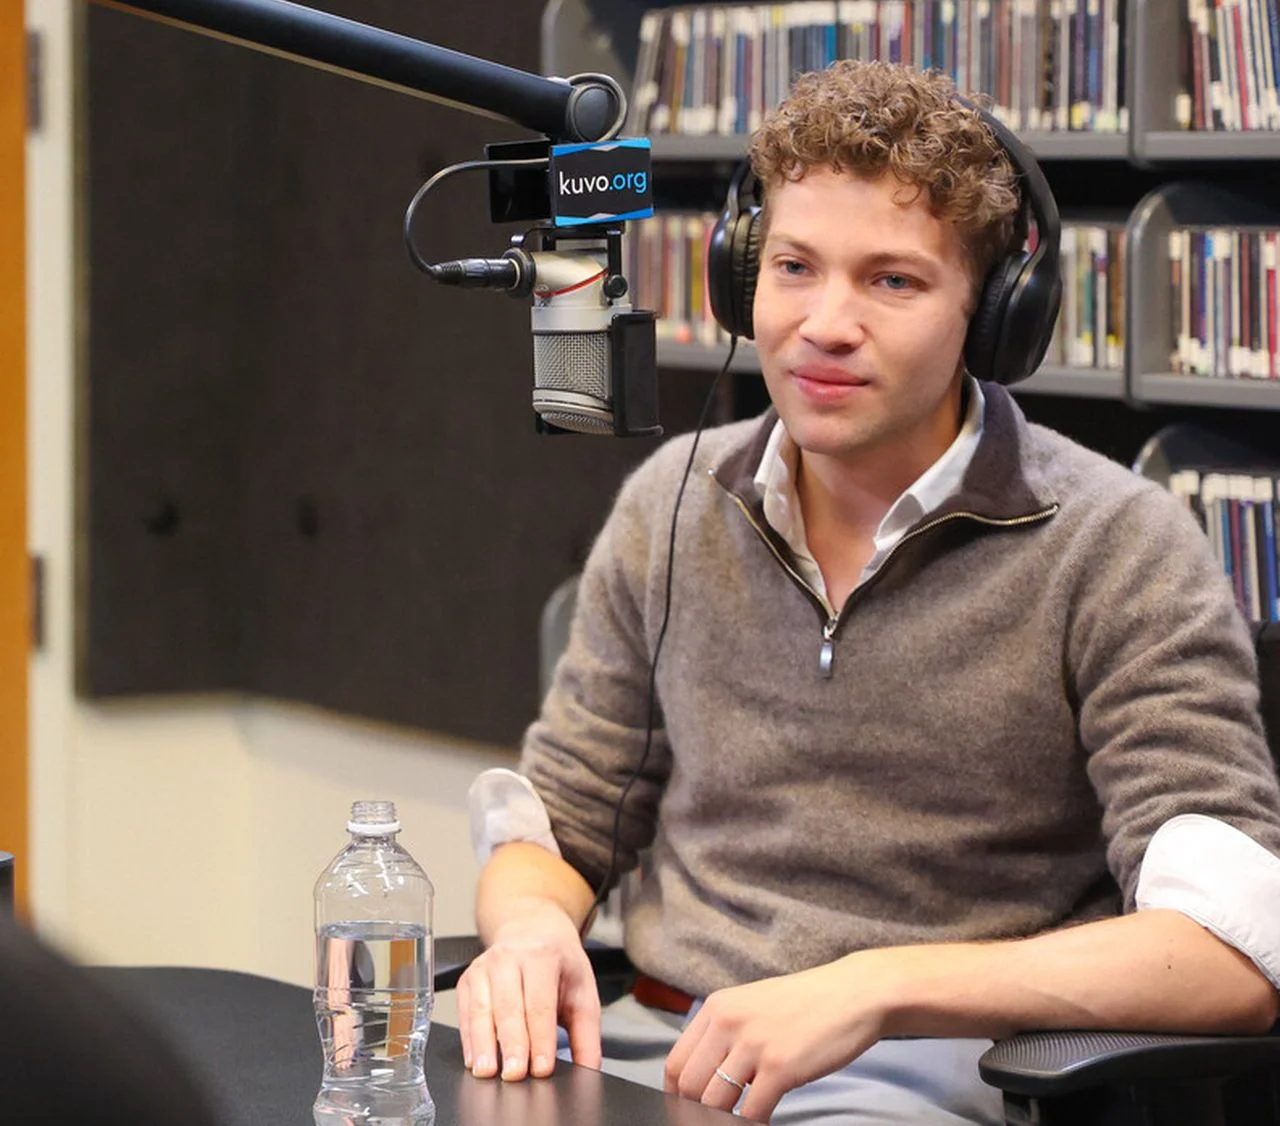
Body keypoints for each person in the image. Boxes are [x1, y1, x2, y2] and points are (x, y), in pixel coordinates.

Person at [457, 60, 1280, 1125]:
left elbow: (1230, 953)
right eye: (794, 266)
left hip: (921, 1070)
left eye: (891, 280)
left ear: (992, 319)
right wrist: (527, 929)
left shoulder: (1118, 546)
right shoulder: (674, 501)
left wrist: (877, 987)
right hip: (649, 1045)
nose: (824, 323)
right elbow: (560, 823)